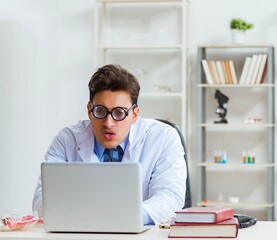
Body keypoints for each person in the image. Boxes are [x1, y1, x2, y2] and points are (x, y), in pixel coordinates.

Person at [32, 64, 187, 225]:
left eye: (119, 113)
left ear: (134, 115)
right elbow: (42, 198)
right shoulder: (66, 140)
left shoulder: (163, 137)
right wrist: (90, 218)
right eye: (100, 111)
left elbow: (170, 197)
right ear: (89, 111)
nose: (108, 122)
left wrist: (121, 218)